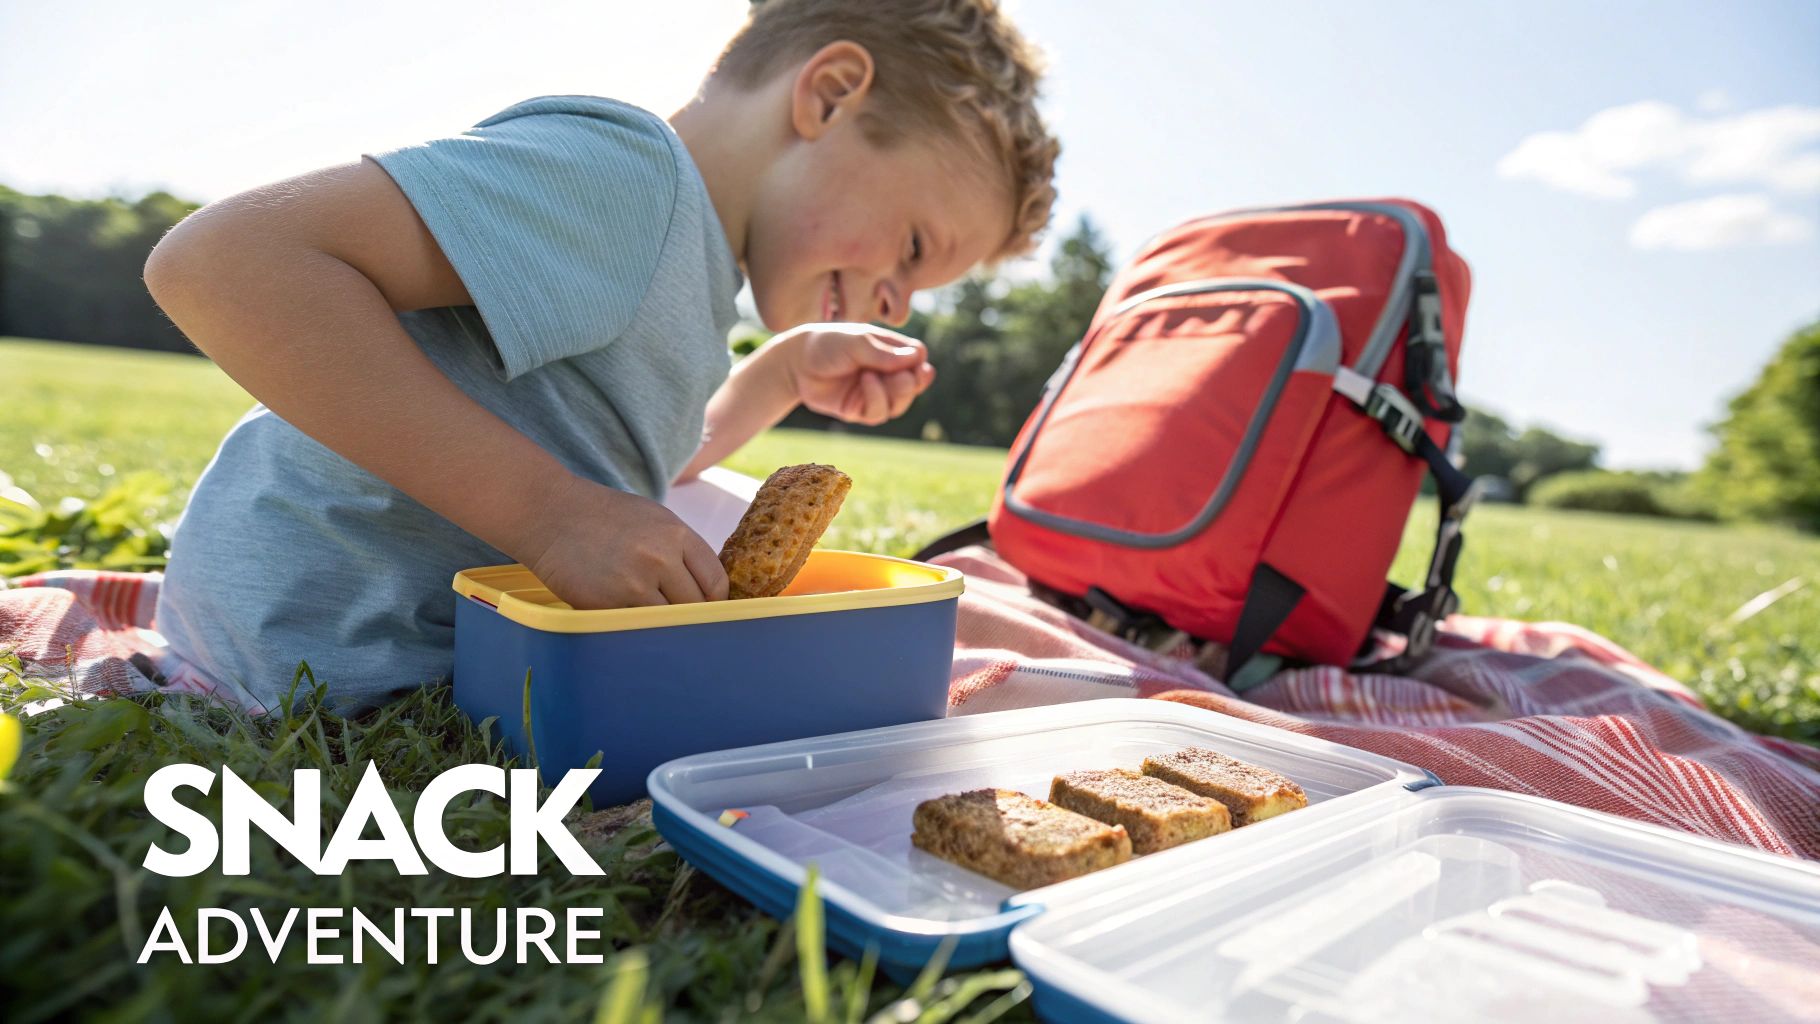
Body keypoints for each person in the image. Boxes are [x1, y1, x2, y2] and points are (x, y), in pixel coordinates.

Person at [140, 0, 1059, 712]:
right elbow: (224, 263)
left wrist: (779, 374)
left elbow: (627, 457)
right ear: (827, 95)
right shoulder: (626, 180)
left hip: (382, 654)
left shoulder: (685, 267)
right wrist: (552, 516)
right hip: (297, 654)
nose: (900, 300)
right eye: (911, 249)